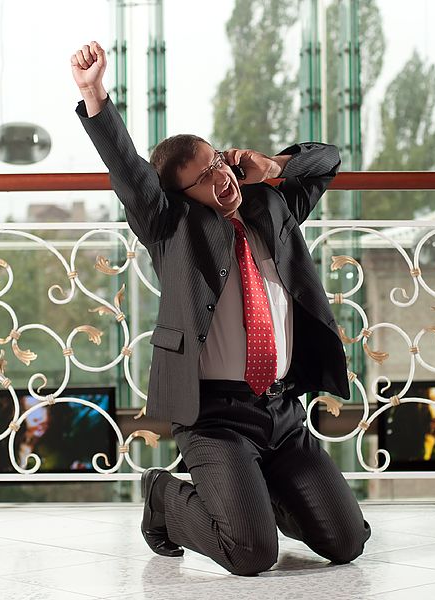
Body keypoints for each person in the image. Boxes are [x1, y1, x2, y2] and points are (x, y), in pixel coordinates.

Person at [70, 41, 371, 576]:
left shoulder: (269, 205)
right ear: (181, 194)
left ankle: (256, 492)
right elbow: (127, 169)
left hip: (282, 413)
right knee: (251, 553)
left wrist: (271, 165)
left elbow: (328, 161)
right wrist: (94, 93)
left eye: (218, 161)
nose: (221, 176)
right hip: (215, 417)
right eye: (204, 175)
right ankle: (164, 496)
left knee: (348, 542)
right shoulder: (171, 228)